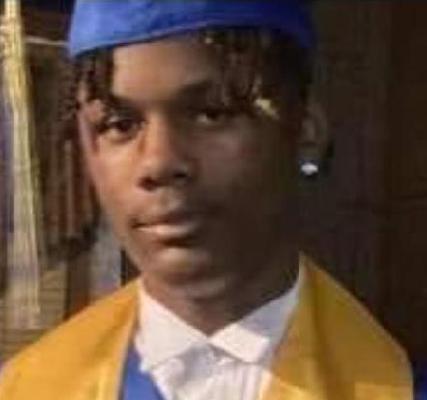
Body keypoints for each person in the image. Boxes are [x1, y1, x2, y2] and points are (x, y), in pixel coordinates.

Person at [0, 1, 425, 399]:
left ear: (306, 132)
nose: (159, 162)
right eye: (120, 124)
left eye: (212, 113)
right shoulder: (29, 388)